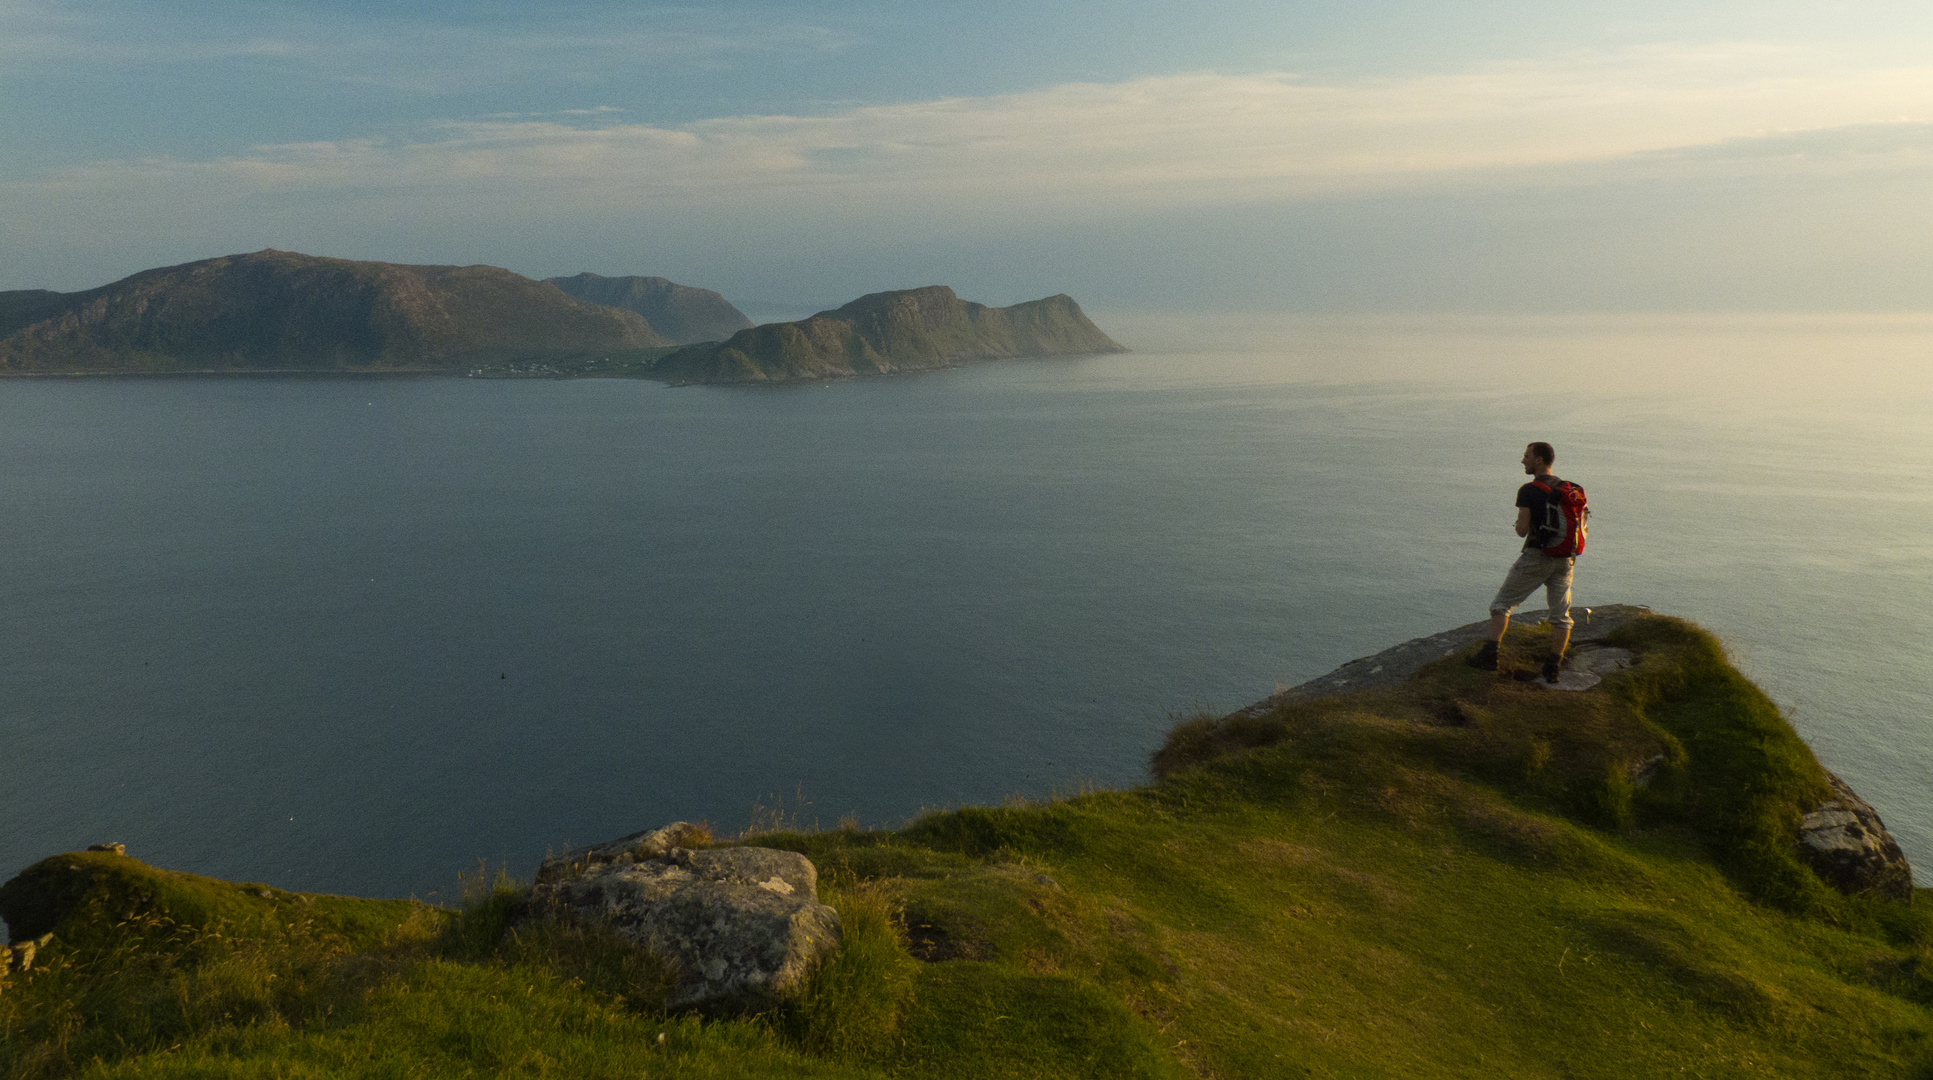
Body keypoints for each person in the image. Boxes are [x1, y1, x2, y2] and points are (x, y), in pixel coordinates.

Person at [1471, 441, 1574, 682]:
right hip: (1565, 559)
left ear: (1539, 459)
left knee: (1501, 605)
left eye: (1527, 456)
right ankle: (1553, 667)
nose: (1523, 460)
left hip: (1538, 556)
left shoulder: (1529, 490)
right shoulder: (1566, 488)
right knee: (1560, 615)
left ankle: (1490, 656)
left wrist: (1520, 524)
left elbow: (1521, 530)